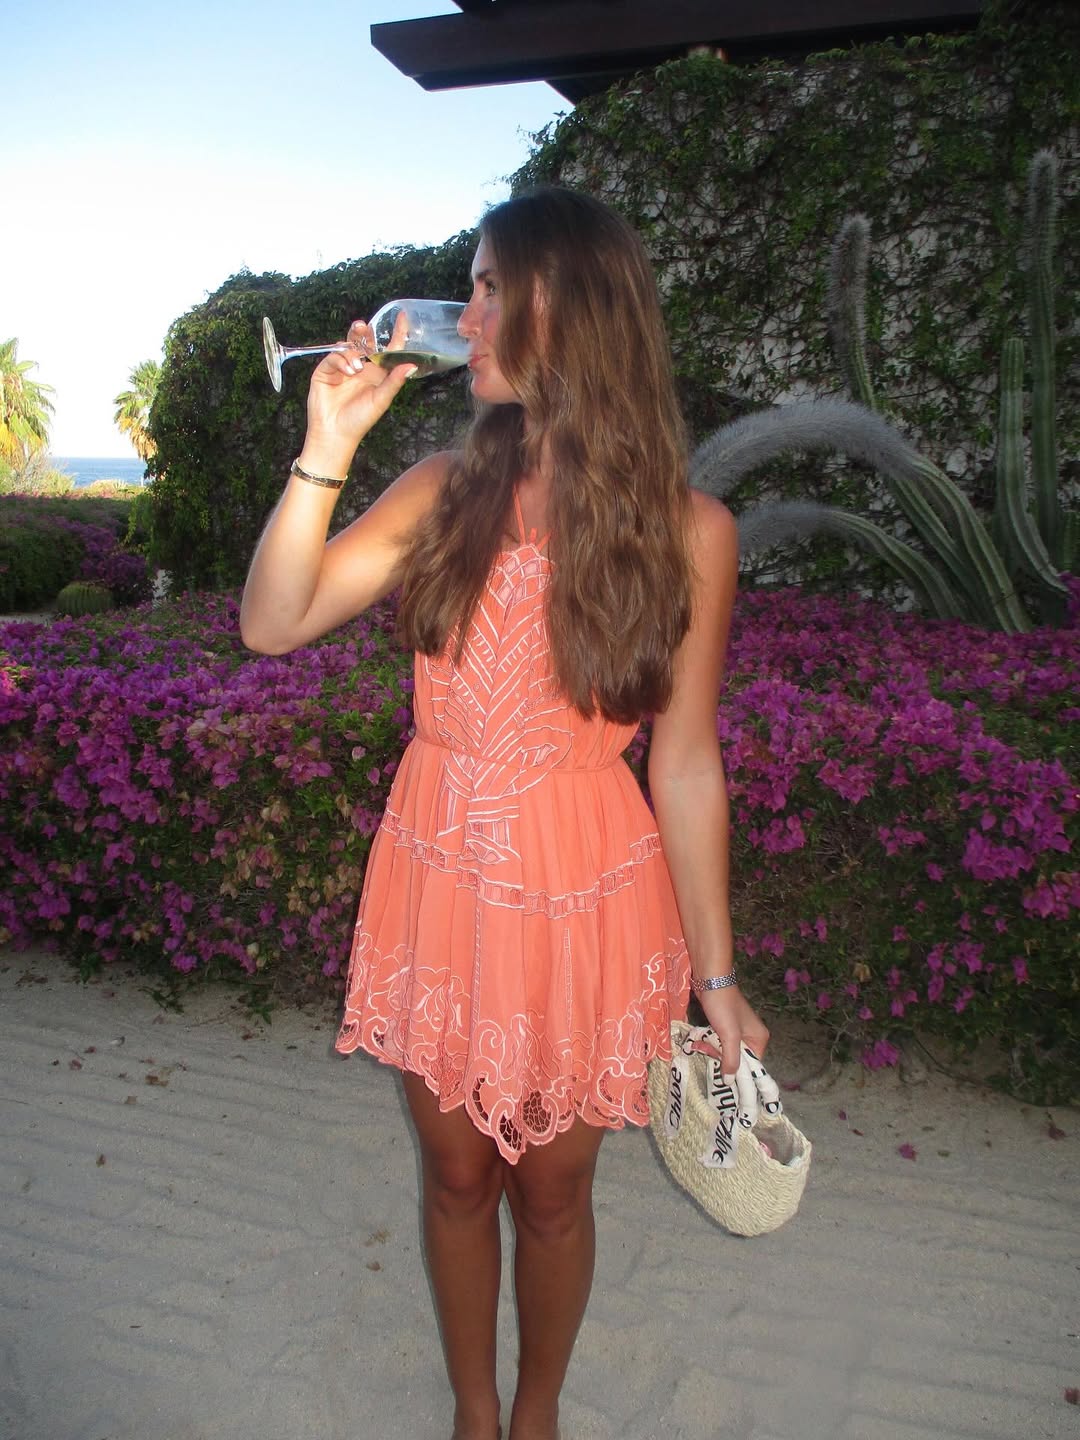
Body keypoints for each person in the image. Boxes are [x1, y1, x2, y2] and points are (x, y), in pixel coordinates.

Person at [240, 185, 769, 1440]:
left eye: (487, 289)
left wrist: (717, 977)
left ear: (567, 310)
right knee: (456, 1176)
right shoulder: (443, 488)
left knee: (557, 1196)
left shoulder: (692, 531)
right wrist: (326, 449)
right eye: (468, 289)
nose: (461, 317)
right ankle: (475, 1414)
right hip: (439, 874)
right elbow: (272, 621)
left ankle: (537, 1415)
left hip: (588, 891)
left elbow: (685, 763)